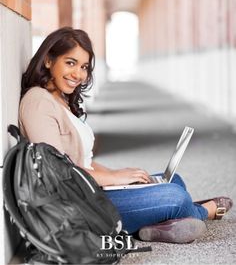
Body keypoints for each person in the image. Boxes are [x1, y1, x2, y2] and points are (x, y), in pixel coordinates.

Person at [19, 27, 233, 244]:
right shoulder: (38, 102)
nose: (79, 74)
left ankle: (155, 227)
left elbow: (83, 160)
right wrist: (113, 180)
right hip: (78, 206)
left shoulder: (60, 100)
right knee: (176, 197)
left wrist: (118, 174)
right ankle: (202, 212)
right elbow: (58, 172)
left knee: (174, 181)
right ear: (48, 60)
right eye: (70, 63)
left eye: (84, 67)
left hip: (91, 191)